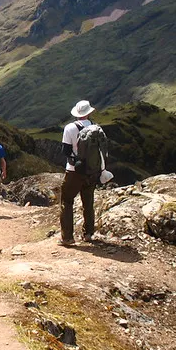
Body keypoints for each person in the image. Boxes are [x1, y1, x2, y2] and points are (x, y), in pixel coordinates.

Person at [59, 100, 97, 246]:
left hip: (74, 171)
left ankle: (67, 237)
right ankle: (88, 234)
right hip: (91, 171)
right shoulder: (95, 128)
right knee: (88, 202)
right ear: (89, 113)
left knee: (67, 201)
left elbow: (65, 151)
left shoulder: (70, 128)